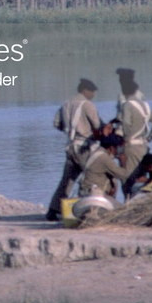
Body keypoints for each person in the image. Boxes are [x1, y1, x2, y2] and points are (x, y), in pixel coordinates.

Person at [46, 78, 102, 221]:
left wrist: (70, 131)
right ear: (85, 91)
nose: (93, 95)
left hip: (70, 147)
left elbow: (57, 124)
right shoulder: (88, 105)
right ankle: (86, 209)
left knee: (67, 180)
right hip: (84, 148)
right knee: (91, 178)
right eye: (92, 92)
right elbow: (97, 126)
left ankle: (53, 210)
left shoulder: (66, 104)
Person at [114, 67, 152, 176]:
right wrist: (148, 138)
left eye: (121, 78)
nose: (120, 81)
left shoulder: (128, 97)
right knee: (140, 174)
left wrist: (124, 140)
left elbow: (126, 121)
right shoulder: (139, 95)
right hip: (141, 143)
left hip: (128, 142)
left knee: (128, 175)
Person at [79, 133, 131, 198]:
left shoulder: (97, 152)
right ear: (112, 148)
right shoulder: (105, 158)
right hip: (93, 193)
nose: (121, 150)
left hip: (86, 191)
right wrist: (123, 161)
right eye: (119, 147)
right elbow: (124, 175)